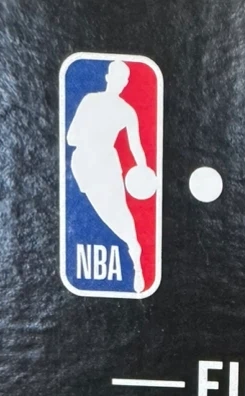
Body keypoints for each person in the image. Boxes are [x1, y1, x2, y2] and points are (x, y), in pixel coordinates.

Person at [67, 60, 150, 293]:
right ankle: (132, 248)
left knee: (119, 211)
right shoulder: (92, 101)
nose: (119, 82)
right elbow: (71, 137)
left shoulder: (126, 111)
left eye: (123, 79)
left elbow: (136, 147)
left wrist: (143, 171)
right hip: (85, 164)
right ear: (109, 77)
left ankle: (136, 258)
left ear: (124, 82)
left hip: (105, 164)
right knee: (105, 213)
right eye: (117, 77)